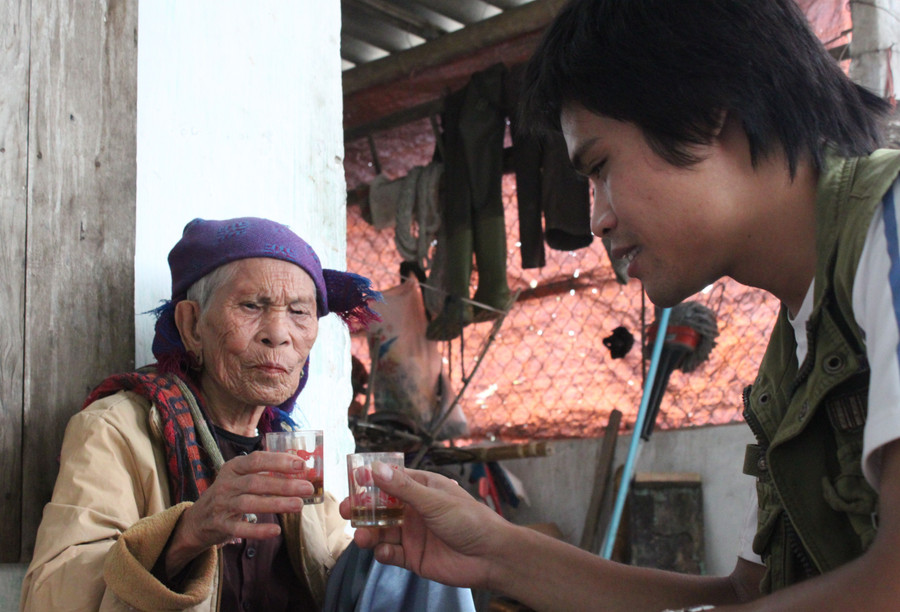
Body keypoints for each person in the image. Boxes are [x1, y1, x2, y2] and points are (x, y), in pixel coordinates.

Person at [340, 0, 900, 610]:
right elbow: (747, 596)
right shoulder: (793, 350)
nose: (599, 217)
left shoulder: (889, 231)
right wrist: (494, 553)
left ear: (706, 111)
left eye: (602, 167)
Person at [19, 217, 384, 611]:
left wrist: (389, 554)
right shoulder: (115, 430)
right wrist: (185, 534)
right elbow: (51, 596)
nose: (278, 333)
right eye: (250, 306)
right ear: (192, 325)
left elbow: (334, 573)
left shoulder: (291, 451)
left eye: (299, 312)